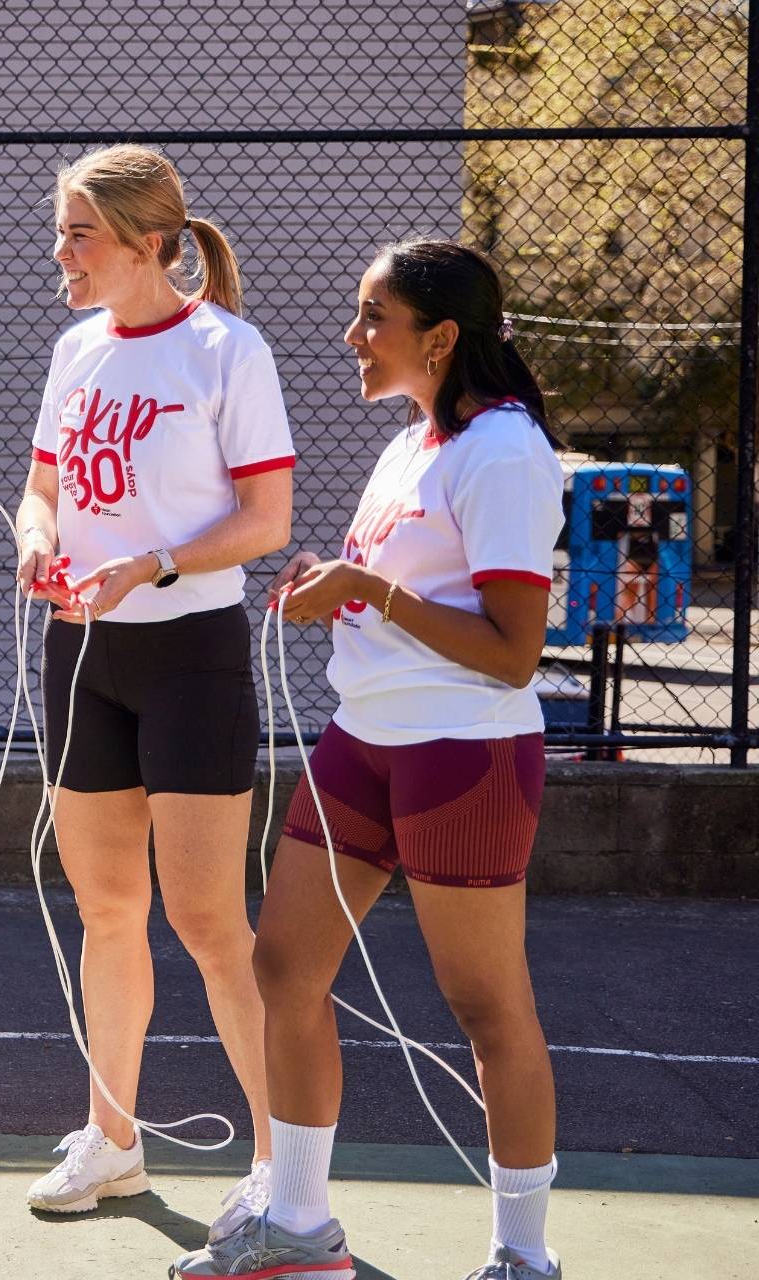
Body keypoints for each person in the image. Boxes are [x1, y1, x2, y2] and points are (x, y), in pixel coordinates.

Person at [173, 240, 565, 1280]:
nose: (353, 336)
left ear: (440, 338)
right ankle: (300, 1227)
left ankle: (524, 1254)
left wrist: (373, 590)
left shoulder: (507, 451)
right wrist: (340, 582)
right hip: (367, 738)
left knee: (487, 1007)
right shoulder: (415, 441)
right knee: (284, 967)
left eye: (372, 317)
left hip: (463, 751)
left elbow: (512, 650)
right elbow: (396, 584)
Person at [12, 144, 294, 1230]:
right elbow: (44, 488)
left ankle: (282, 1164)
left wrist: (155, 563)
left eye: (78, 232)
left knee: (211, 920)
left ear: (147, 242)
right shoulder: (76, 348)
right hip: (83, 655)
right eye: (62, 230)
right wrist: (38, 538)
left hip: (190, 653)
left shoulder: (228, 349)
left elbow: (264, 520)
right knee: (108, 908)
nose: (61, 252)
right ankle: (113, 1139)